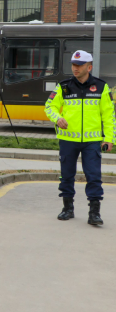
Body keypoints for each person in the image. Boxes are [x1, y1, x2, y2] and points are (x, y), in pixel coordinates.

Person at [45, 49, 115, 225]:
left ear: (89, 67)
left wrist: (109, 138)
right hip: (68, 140)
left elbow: (109, 115)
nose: (75, 68)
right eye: (73, 65)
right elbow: (49, 107)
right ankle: (67, 209)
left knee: (94, 176)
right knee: (67, 175)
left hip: (92, 142)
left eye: (79, 65)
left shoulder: (101, 87)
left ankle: (94, 213)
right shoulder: (64, 86)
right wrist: (57, 118)